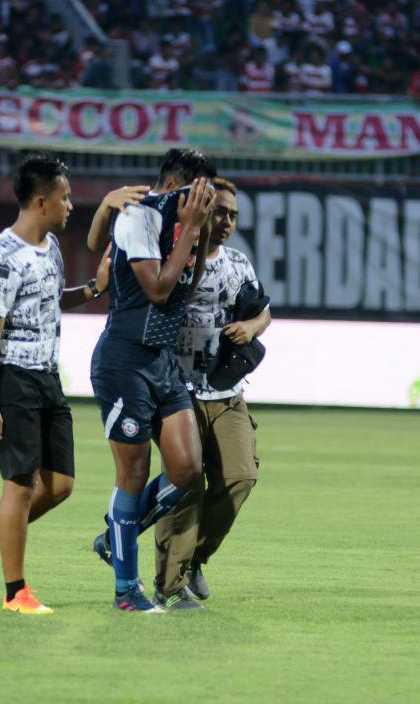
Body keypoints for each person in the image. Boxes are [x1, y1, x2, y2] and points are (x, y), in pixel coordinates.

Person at [0, 154, 113, 615]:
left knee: (59, 486)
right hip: (10, 380)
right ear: (42, 201)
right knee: (19, 486)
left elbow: (48, 303)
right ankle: (15, 592)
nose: (71, 205)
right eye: (65, 197)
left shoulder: (50, 248)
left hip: (46, 378)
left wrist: (94, 290)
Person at [88, 148, 217, 613]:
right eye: (201, 191)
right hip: (123, 360)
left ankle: (114, 537)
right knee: (134, 473)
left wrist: (195, 230)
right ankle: (127, 589)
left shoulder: (181, 223)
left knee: (186, 469)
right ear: (179, 184)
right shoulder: (137, 218)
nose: (206, 201)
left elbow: (190, 276)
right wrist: (188, 229)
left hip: (162, 362)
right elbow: (159, 288)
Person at [153, 177, 270, 610]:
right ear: (202, 210)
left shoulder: (239, 263)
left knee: (241, 475)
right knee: (185, 485)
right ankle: (168, 586)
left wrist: (251, 327)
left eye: (233, 215)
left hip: (225, 389)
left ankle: (194, 558)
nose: (226, 221)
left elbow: (263, 312)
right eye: (219, 211)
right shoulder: (176, 257)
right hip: (175, 388)